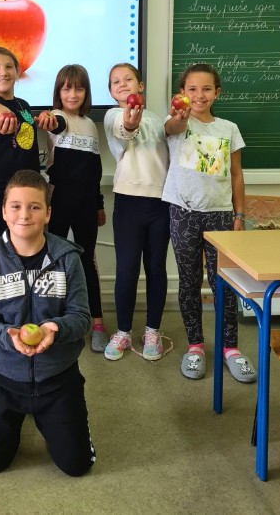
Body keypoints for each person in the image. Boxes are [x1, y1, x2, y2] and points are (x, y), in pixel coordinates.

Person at [0, 169, 96, 476]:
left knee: (77, 466)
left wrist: (56, 328)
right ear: (3, 211)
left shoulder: (68, 259)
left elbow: (81, 317)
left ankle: (52, 418)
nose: (24, 215)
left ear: (48, 213)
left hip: (57, 378)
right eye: (15, 206)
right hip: (3, 378)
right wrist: (9, 336)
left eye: (34, 206)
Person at [163, 63, 255, 382]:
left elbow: (237, 174)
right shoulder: (177, 121)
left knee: (223, 283)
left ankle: (230, 348)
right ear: (182, 93)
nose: (199, 95)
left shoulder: (228, 128)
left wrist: (239, 215)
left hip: (220, 215)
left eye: (206, 89)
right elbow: (172, 127)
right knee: (189, 282)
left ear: (217, 93)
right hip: (183, 213)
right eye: (192, 89)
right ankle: (196, 346)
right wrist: (179, 115)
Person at [103, 63, 171, 361]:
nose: (122, 84)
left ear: (140, 85)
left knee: (156, 268)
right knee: (127, 269)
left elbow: (173, 133)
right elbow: (125, 130)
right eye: (115, 81)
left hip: (161, 202)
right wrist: (131, 121)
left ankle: (152, 330)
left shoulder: (158, 120)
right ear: (110, 92)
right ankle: (123, 331)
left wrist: (177, 120)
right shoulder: (113, 115)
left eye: (128, 79)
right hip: (128, 202)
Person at [45, 64, 107, 352]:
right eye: (67, 88)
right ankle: (56, 322)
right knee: (55, 262)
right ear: (58, 92)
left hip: (86, 205)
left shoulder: (91, 125)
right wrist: (47, 120)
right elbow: (55, 124)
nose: (73, 94)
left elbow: (95, 171)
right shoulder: (57, 117)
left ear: (86, 92)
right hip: (58, 203)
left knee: (86, 262)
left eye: (79, 88)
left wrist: (99, 204)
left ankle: (97, 323)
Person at [0, 46, 57, 247]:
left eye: (8, 67)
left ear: (17, 72)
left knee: (32, 249)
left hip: (29, 190)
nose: (3, 72)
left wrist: (43, 118)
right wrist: (4, 117)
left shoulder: (23, 104)